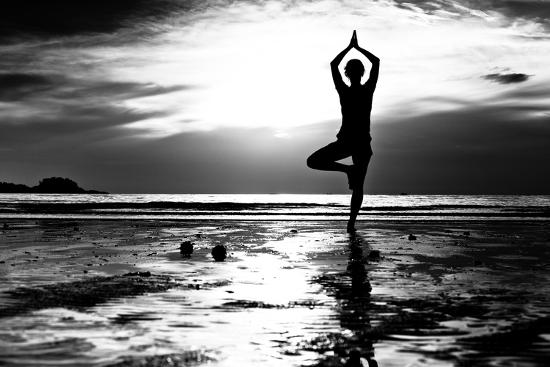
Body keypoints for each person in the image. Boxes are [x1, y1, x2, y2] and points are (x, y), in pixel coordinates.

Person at [307, 30, 380, 233]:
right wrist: (358, 48)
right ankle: (351, 224)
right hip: (360, 144)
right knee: (358, 186)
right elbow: (376, 62)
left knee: (313, 161)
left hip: (350, 142)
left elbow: (333, 65)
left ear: (348, 73)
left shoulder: (346, 90)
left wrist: (350, 48)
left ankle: (348, 171)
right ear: (360, 73)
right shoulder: (367, 90)